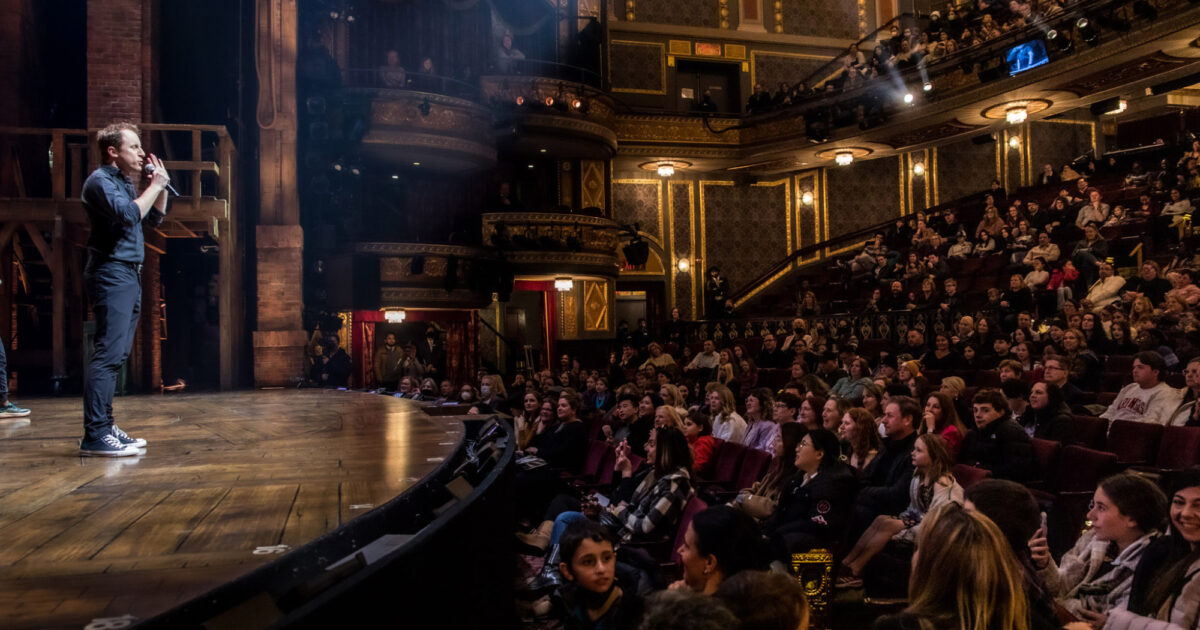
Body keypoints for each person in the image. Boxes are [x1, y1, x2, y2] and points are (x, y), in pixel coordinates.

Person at [79, 123, 170, 456]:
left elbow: (154, 220)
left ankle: (106, 425)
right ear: (112, 152)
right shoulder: (100, 182)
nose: (142, 152)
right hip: (111, 272)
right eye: (134, 147)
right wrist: (153, 186)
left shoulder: (122, 182)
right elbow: (131, 216)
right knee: (107, 356)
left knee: (117, 356)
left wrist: (159, 187)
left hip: (128, 274)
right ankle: (95, 434)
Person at [1029, 473, 1167, 619]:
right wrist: (1044, 564)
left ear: (1132, 518)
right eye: (1092, 505)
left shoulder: (1150, 563)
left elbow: (1104, 619)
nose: (1090, 515)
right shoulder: (1093, 539)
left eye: (1101, 508)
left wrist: (1054, 605)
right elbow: (1062, 588)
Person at [871, 504, 1031, 630]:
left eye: (920, 548)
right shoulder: (1023, 620)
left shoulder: (897, 626)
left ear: (936, 568)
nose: (914, 556)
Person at [839, 434, 963, 587]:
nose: (912, 453)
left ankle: (856, 570)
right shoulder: (919, 477)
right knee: (881, 519)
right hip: (920, 519)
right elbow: (914, 508)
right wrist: (904, 519)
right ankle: (847, 562)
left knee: (889, 525)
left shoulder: (943, 484)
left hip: (936, 528)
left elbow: (941, 520)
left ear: (934, 456)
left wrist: (906, 527)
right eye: (914, 449)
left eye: (918, 450)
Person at [1102, 468, 1200, 630]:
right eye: (1179, 502)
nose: (1186, 513)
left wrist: (1118, 621)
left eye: (1198, 505)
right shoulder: (1167, 552)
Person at [764, 429, 859, 563]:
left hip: (806, 545)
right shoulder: (797, 479)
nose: (797, 449)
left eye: (803, 444)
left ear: (819, 453)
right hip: (783, 535)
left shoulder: (833, 485)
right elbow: (781, 512)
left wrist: (774, 535)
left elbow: (816, 525)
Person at [550, 518, 644, 630]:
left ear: (614, 558)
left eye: (607, 558)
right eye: (588, 561)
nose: (601, 569)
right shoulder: (567, 599)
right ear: (567, 571)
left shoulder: (633, 604)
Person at [673, 506, 764, 595]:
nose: (679, 550)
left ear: (709, 563)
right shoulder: (752, 601)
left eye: (686, 546)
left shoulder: (686, 608)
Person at [730, 423, 805, 521]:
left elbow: (772, 508)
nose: (773, 442)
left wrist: (744, 500)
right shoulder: (779, 467)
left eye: (778, 438)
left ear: (790, 443)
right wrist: (743, 497)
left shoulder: (796, 476)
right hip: (751, 512)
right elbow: (758, 487)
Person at [959, 388, 1035, 482]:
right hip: (978, 480)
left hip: (1002, 486)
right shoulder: (974, 432)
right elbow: (963, 459)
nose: (978, 415)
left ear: (1000, 412)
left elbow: (1016, 470)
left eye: (985, 410)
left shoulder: (1011, 432)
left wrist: (979, 468)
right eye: (975, 410)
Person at [1101, 351, 1181, 426]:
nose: (1134, 371)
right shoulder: (1130, 387)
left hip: (1134, 436)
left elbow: (1152, 423)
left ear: (1155, 372)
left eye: (1140, 367)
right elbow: (1111, 411)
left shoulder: (1167, 394)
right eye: (1134, 367)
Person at [683, 410, 720, 477]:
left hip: (698, 479)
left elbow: (698, 466)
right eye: (684, 424)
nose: (684, 427)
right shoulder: (689, 439)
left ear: (700, 428)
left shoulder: (704, 442)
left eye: (689, 424)